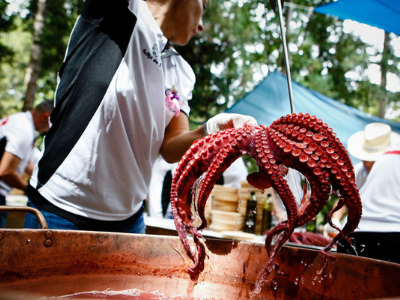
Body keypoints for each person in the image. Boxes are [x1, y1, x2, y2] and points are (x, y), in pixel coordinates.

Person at [24, 0, 257, 233]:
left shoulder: (180, 71)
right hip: (61, 208)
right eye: (204, 8)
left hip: (128, 221)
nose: (201, 26)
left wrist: (211, 129)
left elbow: (171, 147)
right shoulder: (119, 12)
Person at [324, 123, 400, 237]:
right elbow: (344, 200)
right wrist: (335, 219)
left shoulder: (394, 169)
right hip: (356, 230)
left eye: (370, 159)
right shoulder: (359, 171)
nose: (366, 162)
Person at [337, 142, 400, 264]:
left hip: (354, 232)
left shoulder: (386, 154)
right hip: (393, 233)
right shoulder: (359, 170)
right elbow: (346, 199)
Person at [0, 100, 53, 227]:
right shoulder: (24, 130)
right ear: (45, 117)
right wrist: (29, 190)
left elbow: (24, 163)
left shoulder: (19, 119)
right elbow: (5, 171)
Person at [147, 156, 248, 218]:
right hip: (170, 214)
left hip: (209, 217)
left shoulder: (237, 168)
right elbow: (156, 187)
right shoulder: (168, 162)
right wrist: (156, 218)